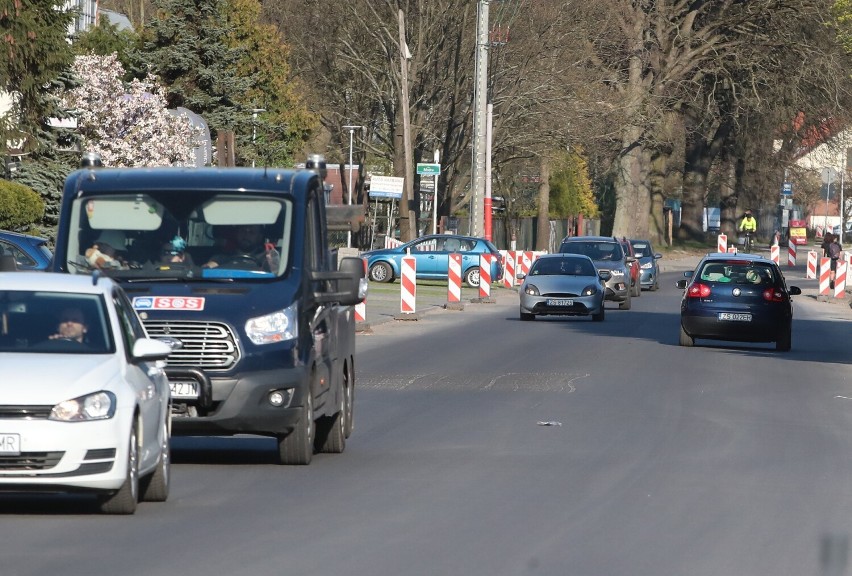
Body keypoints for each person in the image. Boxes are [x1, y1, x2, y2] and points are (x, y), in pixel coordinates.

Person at [203, 224, 278, 271]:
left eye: (251, 232)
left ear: (259, 237)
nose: (246, 235)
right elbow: (207, 270)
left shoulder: (267, 258)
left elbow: (276, 274)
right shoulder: (222, 257)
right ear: (237, 233)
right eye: (242, 231)